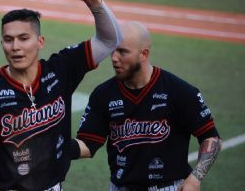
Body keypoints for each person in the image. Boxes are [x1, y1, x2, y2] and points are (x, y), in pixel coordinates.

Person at [0, 0, 123, 190]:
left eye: (23, 38)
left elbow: (109, 40)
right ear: (2, 43)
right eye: (9, 40)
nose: (15, 47)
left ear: (40, 42)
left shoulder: (61, 69)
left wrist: (93, 1)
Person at [73, 21, 222, 191]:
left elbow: (211, 137)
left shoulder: (178, 91)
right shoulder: (103, 94)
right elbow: (88, 144)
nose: (114, 58)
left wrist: (196, 178)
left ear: (144, 54)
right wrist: (56, 145)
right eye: (113, 49)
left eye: (123, 52)